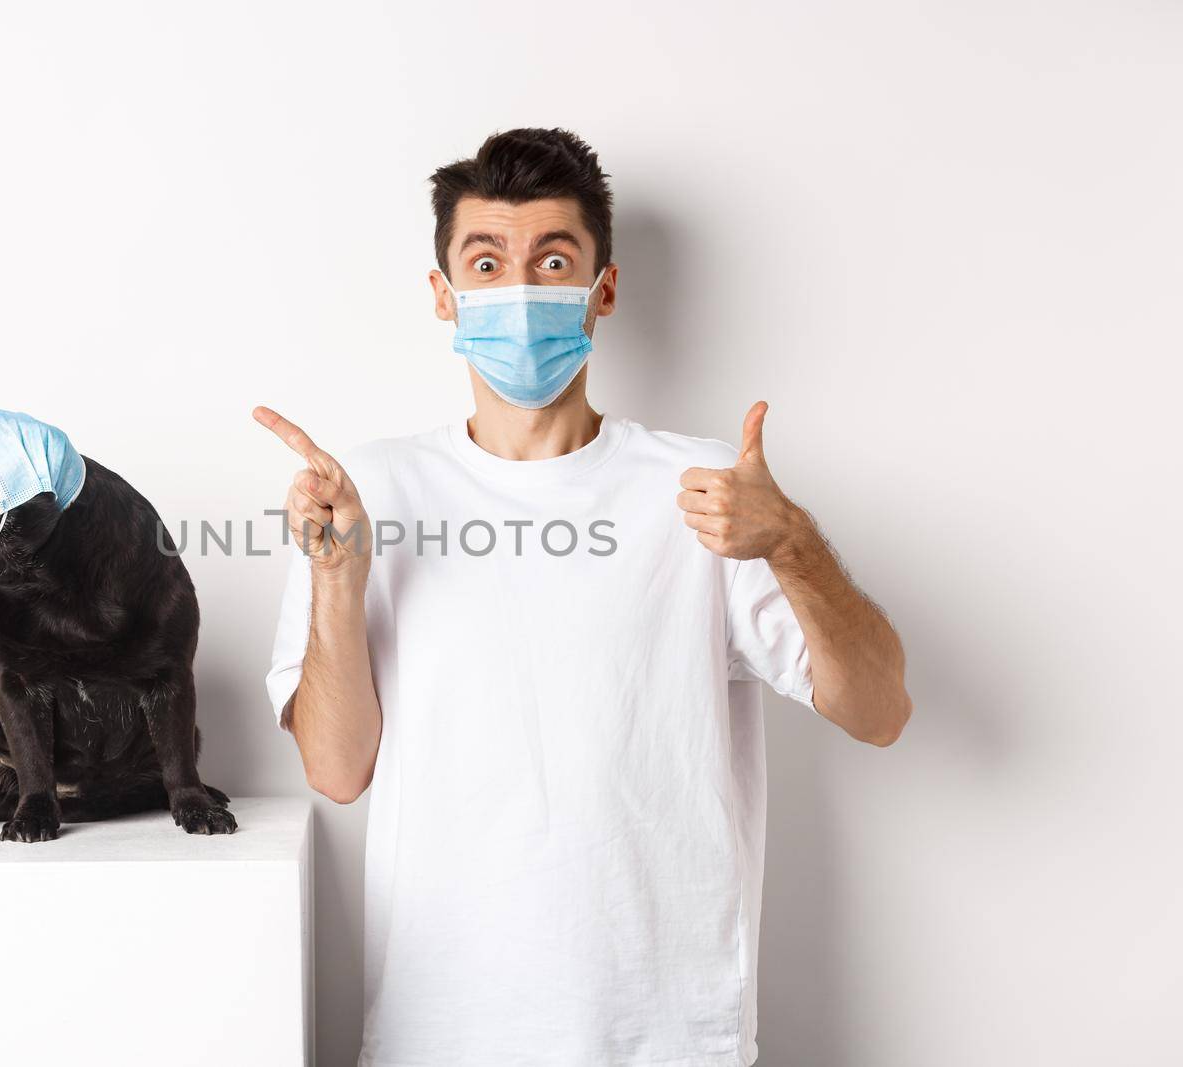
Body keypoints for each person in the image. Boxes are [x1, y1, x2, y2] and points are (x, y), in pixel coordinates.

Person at [255, 127, 910, 1067]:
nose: (518, 289)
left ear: (603, 290)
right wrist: (335, 580)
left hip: (668, 1035)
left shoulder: (708, 490)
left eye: (552, 259)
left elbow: (881, 710)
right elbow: (336, 769)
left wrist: (794, 543)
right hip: (440, 1033)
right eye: (486, 261)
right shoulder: (366, 494)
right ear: (444, 296)